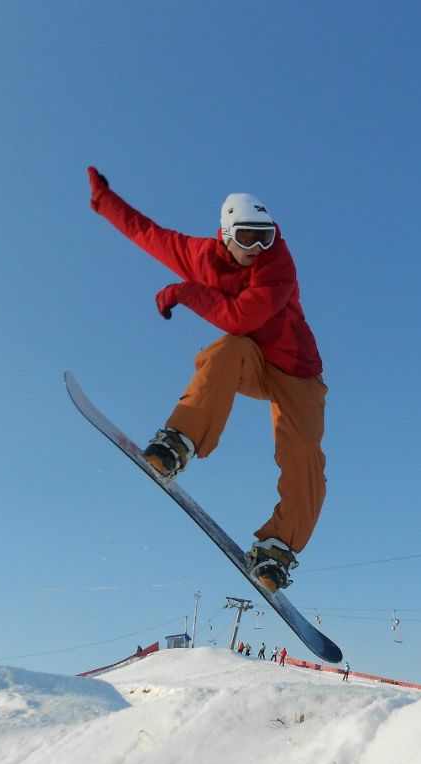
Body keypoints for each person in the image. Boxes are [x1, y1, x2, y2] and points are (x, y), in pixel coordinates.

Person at [87, 167, 327, 593]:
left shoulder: (278, 266)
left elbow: (243, 315)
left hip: (297, 371)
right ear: (225, 235)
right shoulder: (200, 257)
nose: (257, 249)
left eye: (265, 237)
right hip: (250, 360)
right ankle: (178, 441)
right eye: (248, 238)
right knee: (228, 349)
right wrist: (105, 201)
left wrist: (183, 292)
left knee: (304, 456)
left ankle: (278, 547)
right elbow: (148, 233)